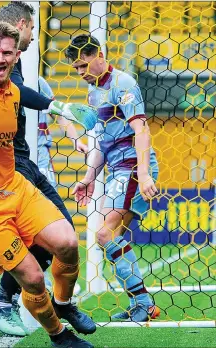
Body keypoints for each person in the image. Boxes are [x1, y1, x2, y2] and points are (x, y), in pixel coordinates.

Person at [0, 21, 94, 348]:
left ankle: (64, 305)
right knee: (34, 278)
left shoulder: (12, 92)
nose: (0, 58)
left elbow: (30, 97)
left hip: (13, 188)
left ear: (15, 56)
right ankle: (58, 335)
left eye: (6, 53)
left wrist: (60, 110)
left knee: (68, 242)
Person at [0, 2, 94, 337]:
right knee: (43, 241)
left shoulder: (19, 68)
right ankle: (4, 302)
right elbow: (12, 92)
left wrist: (61, 111)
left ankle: (59, 303)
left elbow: (21, 92)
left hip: (25, 162)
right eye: (32, 28)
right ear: (22, 25)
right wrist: (58, 105)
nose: (33, 37)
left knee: (64, 236)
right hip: (7, 168)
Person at [66, 34, 161, 322]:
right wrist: (88, 177)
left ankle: (143, 303)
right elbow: (102, 142)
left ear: (99, 55)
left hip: (132, 166)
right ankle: (142, 304)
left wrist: (143, 174)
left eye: (83, 66)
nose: (81, 73)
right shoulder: (94, 92)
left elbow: (141, 129)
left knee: (106, 234)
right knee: (111, 239)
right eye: (76, 69)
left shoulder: (124, 84)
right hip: (115, 169)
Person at [37, 76, 88, 188]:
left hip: (40, 154)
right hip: (9, 154)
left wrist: (76, 141)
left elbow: (59, 115)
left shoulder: (38, 82)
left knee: (49, 198)